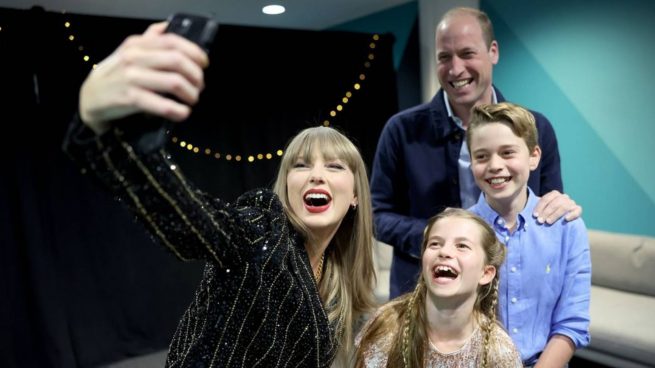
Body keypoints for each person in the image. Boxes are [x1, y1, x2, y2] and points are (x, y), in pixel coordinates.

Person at [63, 22, 377, 367]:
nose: (316, 175)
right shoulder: (263, 229)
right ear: (286, 185)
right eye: (300, 166)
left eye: (334, 167)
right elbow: (191, 221)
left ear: (355, 196)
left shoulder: (335, 276)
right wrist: (101, 129)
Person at [370, 7, 583, 299]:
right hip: (423, 294)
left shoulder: (537, 128)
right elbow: (376, 214)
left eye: (467, 54)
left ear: (493, 51)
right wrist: (437, 236)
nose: (456, 69)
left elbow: (548, 208)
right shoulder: (400, 130)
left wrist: (561, 207)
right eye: (444, 57)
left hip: (513, 294)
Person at [467, 102, 591, 366]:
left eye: (508, 152)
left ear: (534, 156)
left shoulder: (567, 228)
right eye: (481, 156)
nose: (494, 165)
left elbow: (572, 322)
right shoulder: (459, 230)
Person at [355, 208, 522, 368]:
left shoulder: (499, 351)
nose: (444, 252)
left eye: (462, 246)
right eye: (435, 244)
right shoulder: (388, 325)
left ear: (486, 273)